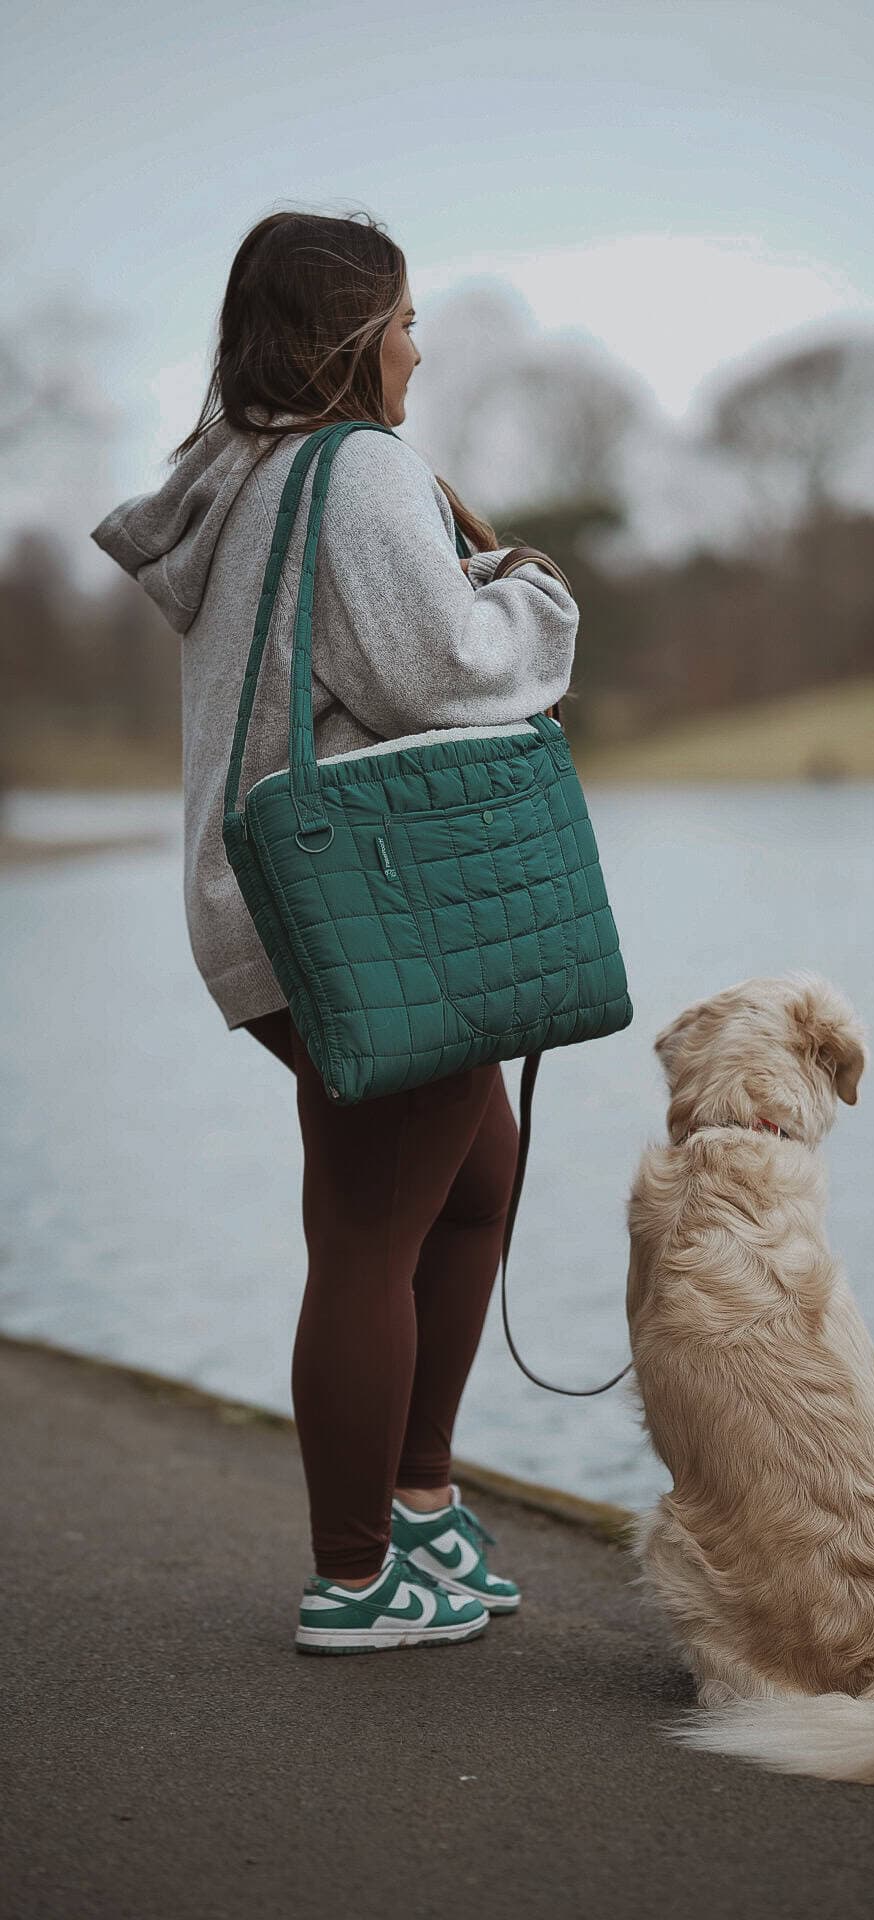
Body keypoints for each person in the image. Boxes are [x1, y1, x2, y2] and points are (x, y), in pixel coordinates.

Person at [89, 208, 579, 1654]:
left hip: (272, 898)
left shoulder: (236, 473)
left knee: (474, 1178)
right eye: (409, 318)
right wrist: (534, 598)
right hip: (367, 906)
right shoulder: (351, 470)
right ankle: (355, 1578)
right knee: (370, 1230)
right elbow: (443, 673)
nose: (422, 346)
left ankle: (415, 1508)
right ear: (356, 336)